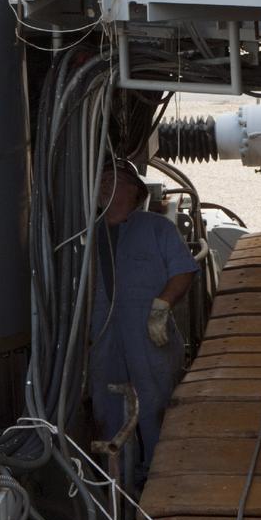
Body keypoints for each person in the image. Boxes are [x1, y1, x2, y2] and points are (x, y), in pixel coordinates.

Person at [89, 160, 198, 474]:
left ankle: (159, 478)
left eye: (115, 181)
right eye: (102, 181)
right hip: (105, 340)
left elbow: (183, 270)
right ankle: (114, 483)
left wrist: (162, 307)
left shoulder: (156, 228)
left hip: (150, 338)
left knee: (154, 406)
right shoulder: (85, 237)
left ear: (135, 192)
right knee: (108, 409)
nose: (106, 187)